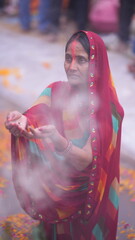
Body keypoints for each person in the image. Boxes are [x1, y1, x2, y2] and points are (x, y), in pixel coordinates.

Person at [5, 31, 124, 240]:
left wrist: (57, 141)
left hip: (89, 200)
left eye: (81, 60)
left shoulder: (109, 110)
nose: (71, 67)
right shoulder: (55, 91)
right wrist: (20, 122)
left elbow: (86, 160)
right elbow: (33, 115)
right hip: (56, 197)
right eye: (68, 58)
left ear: (97, 65)